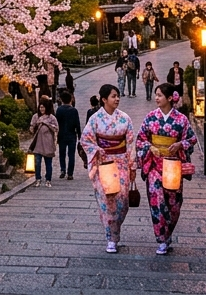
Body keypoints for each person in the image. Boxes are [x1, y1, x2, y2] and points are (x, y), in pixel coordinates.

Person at [136, 85, 198, 255]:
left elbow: (192, 138)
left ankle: (168, 232)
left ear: (170, 98)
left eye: (160, 95)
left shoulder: (181, 120)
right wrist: (149, 146)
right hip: (155, 166)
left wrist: (180, 144)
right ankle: (161, 239)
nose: (156, 98)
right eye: (156, 95)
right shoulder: (150, 117)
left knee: (174, 204)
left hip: (173, 166)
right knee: (156, 201)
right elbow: (140, 139)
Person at [81, 84, 137, 253]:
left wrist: (132, 164)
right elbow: (85, 140)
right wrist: (96, 149)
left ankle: (115, 230)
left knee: (123, 201)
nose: (117, 99)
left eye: (118, 96)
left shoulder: (125, 118)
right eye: (113, 96)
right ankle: (111, 239)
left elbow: (131, 143)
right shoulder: (95, 119)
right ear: (104, 99)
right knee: (107, 201)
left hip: (121, 163)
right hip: (103, 164)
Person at [29, 101, 59, 187]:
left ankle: (48, 179)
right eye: (40, 107)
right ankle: (38, 178)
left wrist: (47, 124)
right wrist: (34, 127)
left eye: (43, 107)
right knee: (37, 162)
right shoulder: (35, 116)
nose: (41, 109)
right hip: (38, 143)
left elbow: (56, 128)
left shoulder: (51, 118)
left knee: (48, 163)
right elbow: (31, 128)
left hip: (48, 143)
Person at [54, 90, 82, 180]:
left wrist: (56, 135)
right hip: (71, 135)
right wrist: (79, 135)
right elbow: (77, 124)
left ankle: (62, 170)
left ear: (62, 100)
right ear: (70, 100)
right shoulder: (74, 110)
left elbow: (56, 123)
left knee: (62, 153)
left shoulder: (59, 110)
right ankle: (70, 173)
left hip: (61, 134)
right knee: (71, 155)